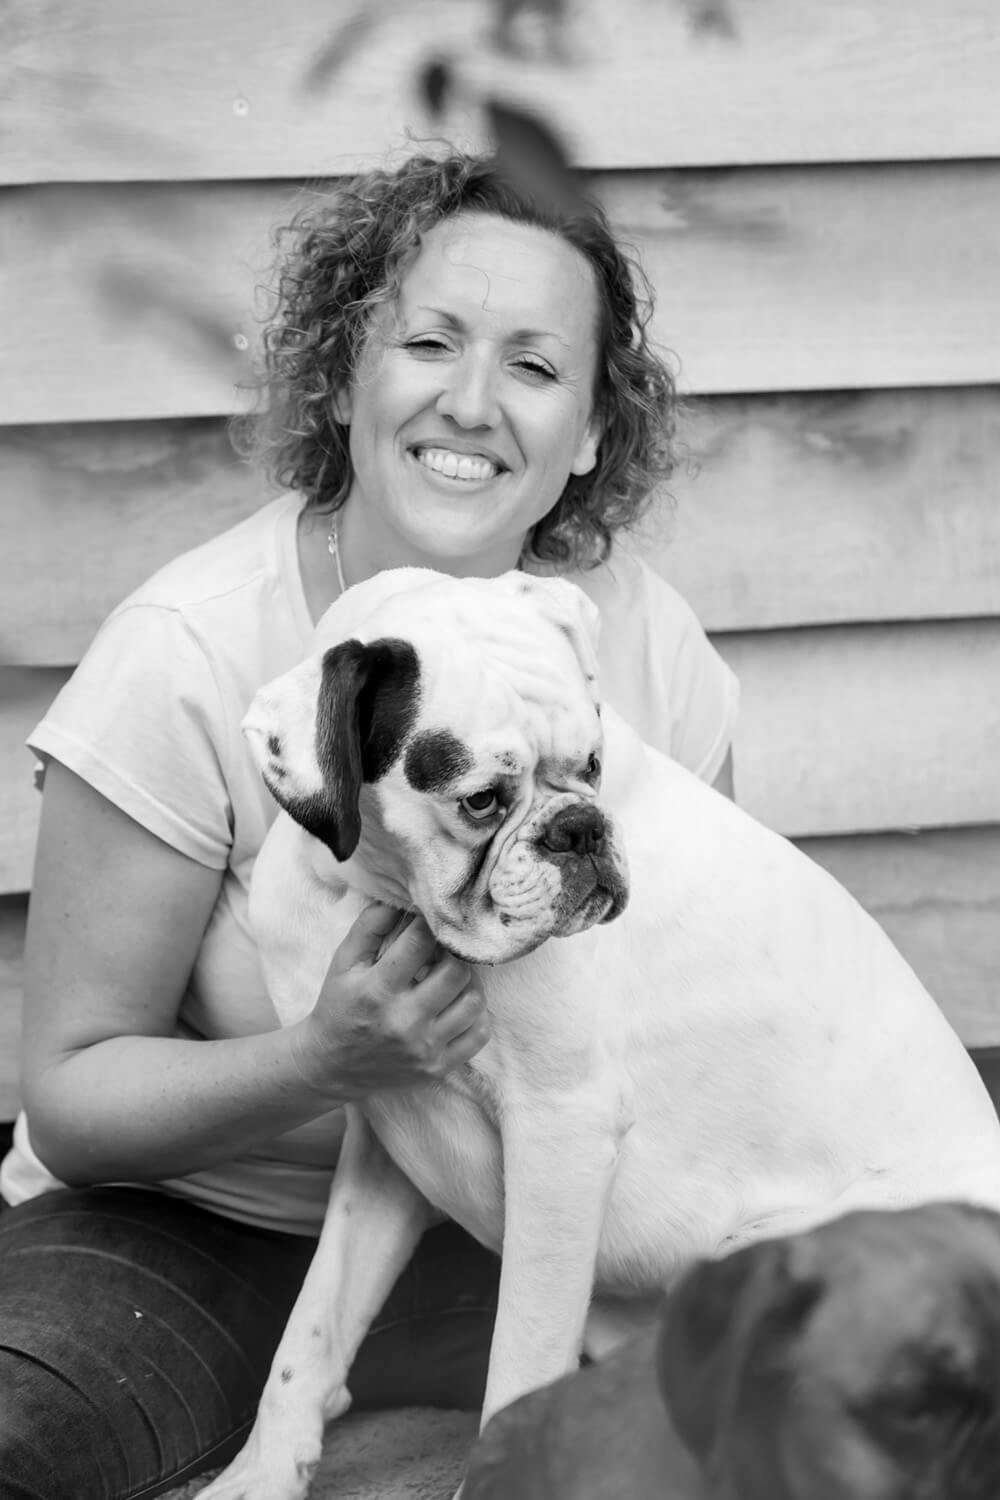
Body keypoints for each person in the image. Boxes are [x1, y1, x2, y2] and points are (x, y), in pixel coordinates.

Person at [0, 150, 739, 1497]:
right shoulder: (192, 652)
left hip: (509, 1216)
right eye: (430, 342)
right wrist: (323, 1060)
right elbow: (73, 1098)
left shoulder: (638, 638)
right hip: (198, 1229)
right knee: (24, 1433)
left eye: (532, 364)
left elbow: (695, 999)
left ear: (589, 430)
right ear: (344, 378)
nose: (471, 400)